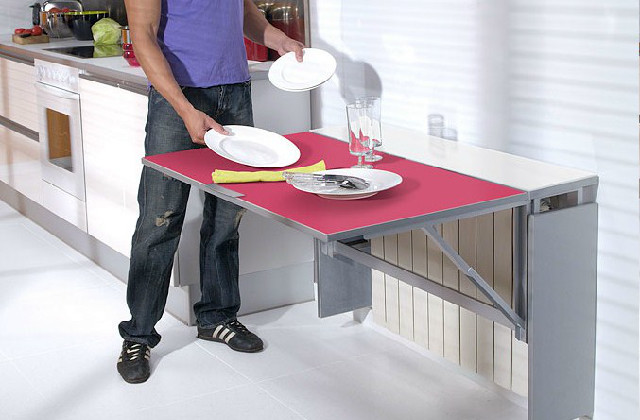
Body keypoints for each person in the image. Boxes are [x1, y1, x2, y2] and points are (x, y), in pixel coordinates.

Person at [117, 0, 304, 384]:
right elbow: (143, 36)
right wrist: (185, 109)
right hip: (177, 98)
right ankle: (138, 334)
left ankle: (217, 316)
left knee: (227, 215)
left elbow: (243, 12)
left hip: (234, 92)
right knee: (160, 219)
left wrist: (278, 40)